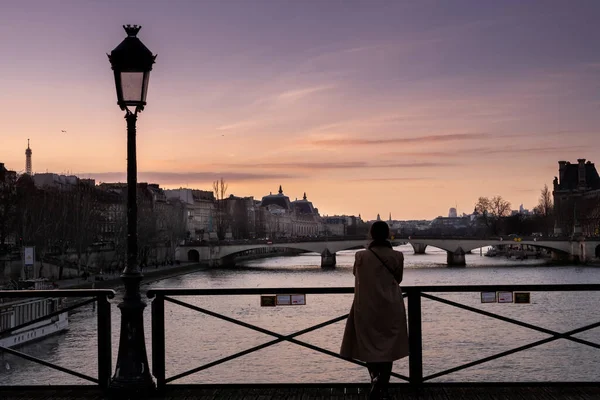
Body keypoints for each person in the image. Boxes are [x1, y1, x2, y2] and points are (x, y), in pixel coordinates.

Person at [340, 221, 409, 400]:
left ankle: (375, 379)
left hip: (366, 306)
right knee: (388, 346)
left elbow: (358, 275)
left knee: (369, 345)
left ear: (371, 234)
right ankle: (382, 383)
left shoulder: (360, 256)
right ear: (387, 234)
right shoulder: (398, 256)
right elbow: (398, 279)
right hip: (391, 306)